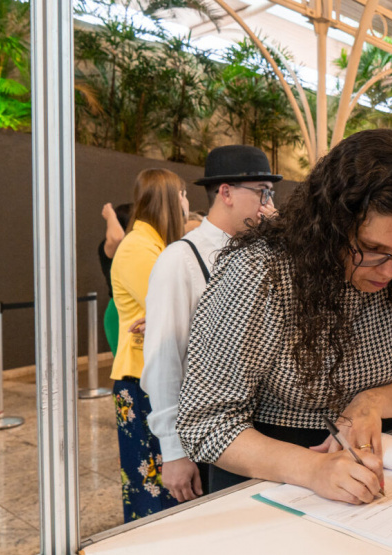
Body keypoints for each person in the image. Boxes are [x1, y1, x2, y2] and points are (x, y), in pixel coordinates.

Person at [176, 129, 392, 503]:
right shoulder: (262, 271)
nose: (391, 270)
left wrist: (371, 403)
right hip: (270, 467)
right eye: (371, 249)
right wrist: (313, 469)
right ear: (331, 226)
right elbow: (205, 422)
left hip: (375, 453)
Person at [140, 145, 281, 503]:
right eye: (262, 192)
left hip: (263, 433)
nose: (268, 205)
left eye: (270, 194)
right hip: (207, 432)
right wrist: (174, 451)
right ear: (226, 193)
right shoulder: (180, 259)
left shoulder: (264, 252)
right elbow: (164, 361)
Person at [110, 169, 187, 521]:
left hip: (152, 375)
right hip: (141, 379)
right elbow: (170, 310)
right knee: (152, 487)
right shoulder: (139, 247)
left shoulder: (153, 244)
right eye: (182, 194)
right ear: (169, 199)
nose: (186, 202)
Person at [99, 202, 131, 353]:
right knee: (124, 363)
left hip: (136, 308)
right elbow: (118, 237)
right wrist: (110, 215)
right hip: (119, 311)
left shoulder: (140, 246)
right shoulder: (110, 247)